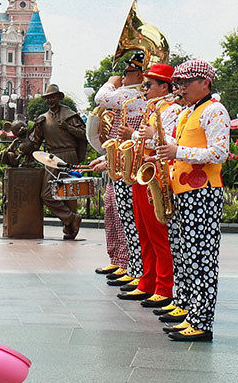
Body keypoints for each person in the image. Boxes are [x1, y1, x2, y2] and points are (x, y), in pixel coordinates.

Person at [158, 59, 229, 342]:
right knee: (186, 257)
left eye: (187, 82)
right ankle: (188, 310)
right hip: (184, 192)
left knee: (201, 259)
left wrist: (177, 151)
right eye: (179, 82)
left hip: (203, 192)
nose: (180, 87)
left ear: (205, 83)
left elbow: (219, 152)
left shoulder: (214, 111)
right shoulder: (191, 111)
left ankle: (201, 322)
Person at [94, 53, 148, 284]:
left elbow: (101, 97)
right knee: (113, 212)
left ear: (138, 74)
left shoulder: (132, 94)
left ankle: (129, 264)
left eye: (126, 72)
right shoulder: (129, 95)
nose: (123, 76)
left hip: (128, 164)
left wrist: (111, 81)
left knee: (126, 217)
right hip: (117, 161)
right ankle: (118, 259)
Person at [131, 63, 178, 314]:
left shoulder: (172, 110)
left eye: (149, 84)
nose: (145, 88)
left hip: (158, 177)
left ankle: (164, 287)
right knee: (145, 233)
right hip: (144, 172)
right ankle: (148, 280)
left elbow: (171, 141)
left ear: (164, 87)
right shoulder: (153, 108)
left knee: (159, 236)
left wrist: (149, 135)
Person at [26, 83, 88, 239]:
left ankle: (70, 228)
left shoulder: (70, 115)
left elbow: (84, 134)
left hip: (69, 155)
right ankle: (71, 218)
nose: (50, 101)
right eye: (48, 98)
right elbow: (35, 142)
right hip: (52, 158)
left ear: (59, 97)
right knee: (47, 194)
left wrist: (68, 127)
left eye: (52, 97)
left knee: (69, 194)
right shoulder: (43, 119)